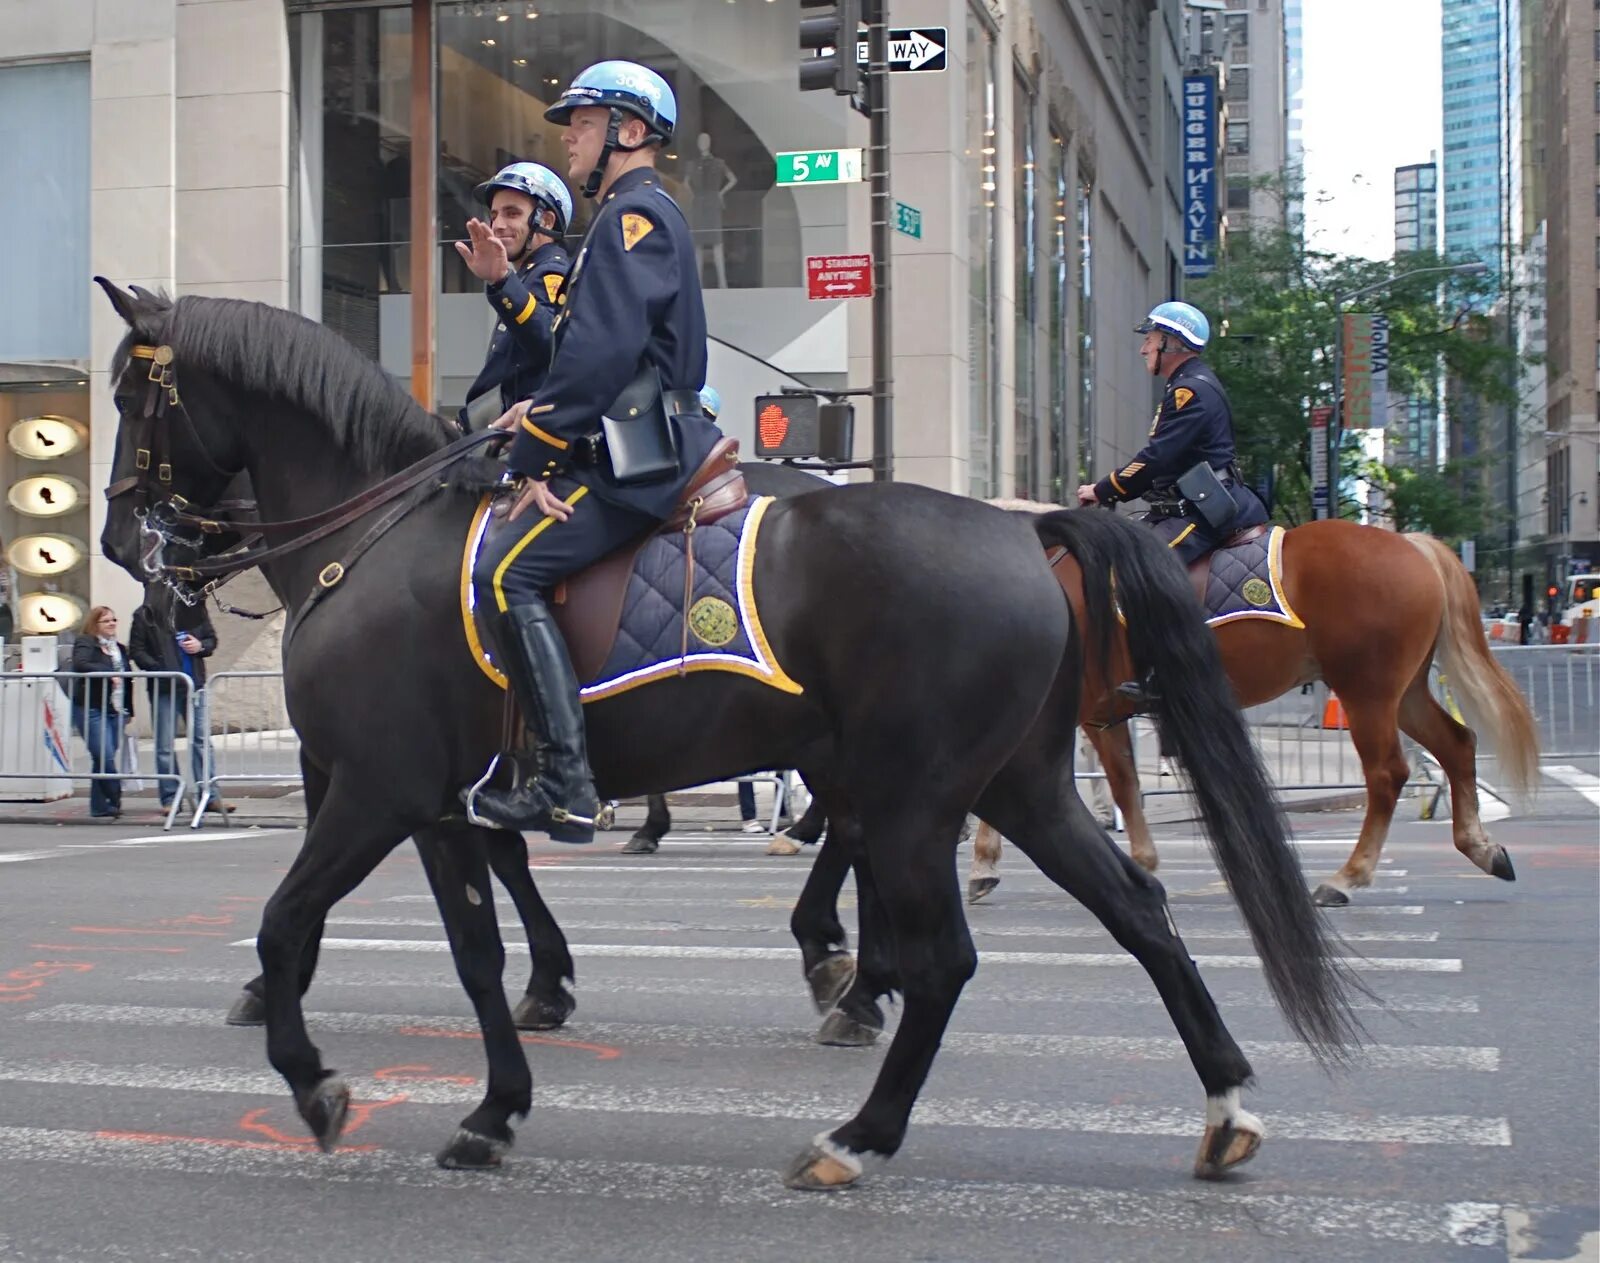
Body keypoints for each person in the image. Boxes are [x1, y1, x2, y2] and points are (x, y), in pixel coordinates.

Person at [466, 60, 723, 844]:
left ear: (630, 132)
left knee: (503, 572)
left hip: (641, 452)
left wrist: (531, 463)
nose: (569, 138)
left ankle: (567, 781)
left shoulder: (631, 218)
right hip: (627, 438)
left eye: (581, 123)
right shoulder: (625, 216)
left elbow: (598, 361)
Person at [1076, 300, 1267, 566]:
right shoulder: (1184, 385)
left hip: (1200, 512)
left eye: (1150, 341)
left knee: (1131, 568)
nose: (1144, 349)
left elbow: (1157, 458)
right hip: (1188, 505)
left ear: (1170, 342)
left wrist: (1104, 489)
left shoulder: (1190, 391)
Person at [454, 161, 574, 433]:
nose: (498, 224)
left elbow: (550, 342)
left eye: (512, 213)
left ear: (545, 221)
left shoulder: (551, 272)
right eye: (494, 214)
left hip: (518, 437)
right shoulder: (527, 276)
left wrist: (502, 282)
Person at [129, 593, 232, 815]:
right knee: (165, 745)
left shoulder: (194, 610)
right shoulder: (145, 614)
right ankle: (170, 797)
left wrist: (200, 646)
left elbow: (211, 640)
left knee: (201, 741)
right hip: (165, 688)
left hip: (195, 685)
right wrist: (159, 669)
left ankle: (210, 795)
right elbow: (136, 650)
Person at [69, 606, 133, 819]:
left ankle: (99, 806)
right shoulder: (86, 642)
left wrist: (129, 709)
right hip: (91, 706)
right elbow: (81, 664)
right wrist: (107, 673)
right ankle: (114, 796)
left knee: (103, 757)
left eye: (114, 620)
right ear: (95, 624)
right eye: (106, 621)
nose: (112, 623)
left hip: (115, 709)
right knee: (103, 754)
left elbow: (128, 680)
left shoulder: (120, 649)